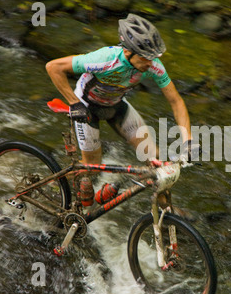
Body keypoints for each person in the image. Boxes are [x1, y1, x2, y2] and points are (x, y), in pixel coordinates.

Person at [46, 13, 197, 207]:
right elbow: (53, 67)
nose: (151, 64)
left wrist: (188, 141)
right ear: (129, 52)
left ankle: (167, 215)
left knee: (155, 159)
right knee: (91, 170)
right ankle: (65, 199)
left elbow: (176, 101)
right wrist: (74, 103)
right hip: (87, 108)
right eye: (146, 58)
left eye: (153, 58)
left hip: (116, 106)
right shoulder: (104, 59)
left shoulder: (153, 66)